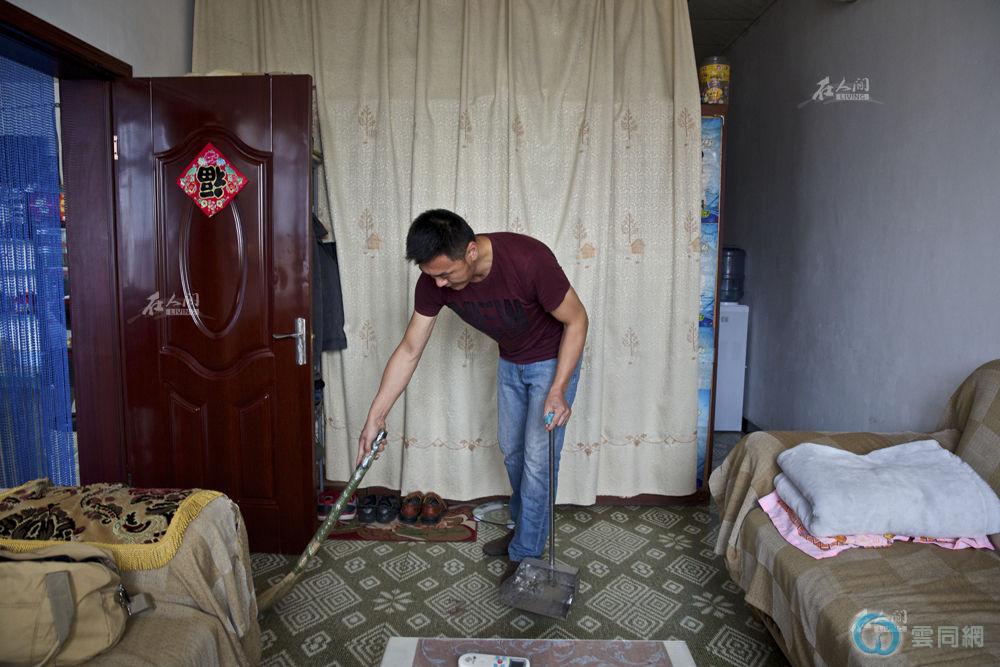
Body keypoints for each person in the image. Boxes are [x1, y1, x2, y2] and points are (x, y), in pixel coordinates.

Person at [356, 209, 588, 580]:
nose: (440, 284)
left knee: (537, 461)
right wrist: (375, 417)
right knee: (513, 452)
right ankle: (525, 529)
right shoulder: (433, 281)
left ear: (471, 252)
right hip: (511, 360)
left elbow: (577, 320)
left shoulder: (529, 260)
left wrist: (558, 389)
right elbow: (410, 349)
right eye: (433, 275)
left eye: (446, 274)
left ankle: (527, 554)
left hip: (553, 361)